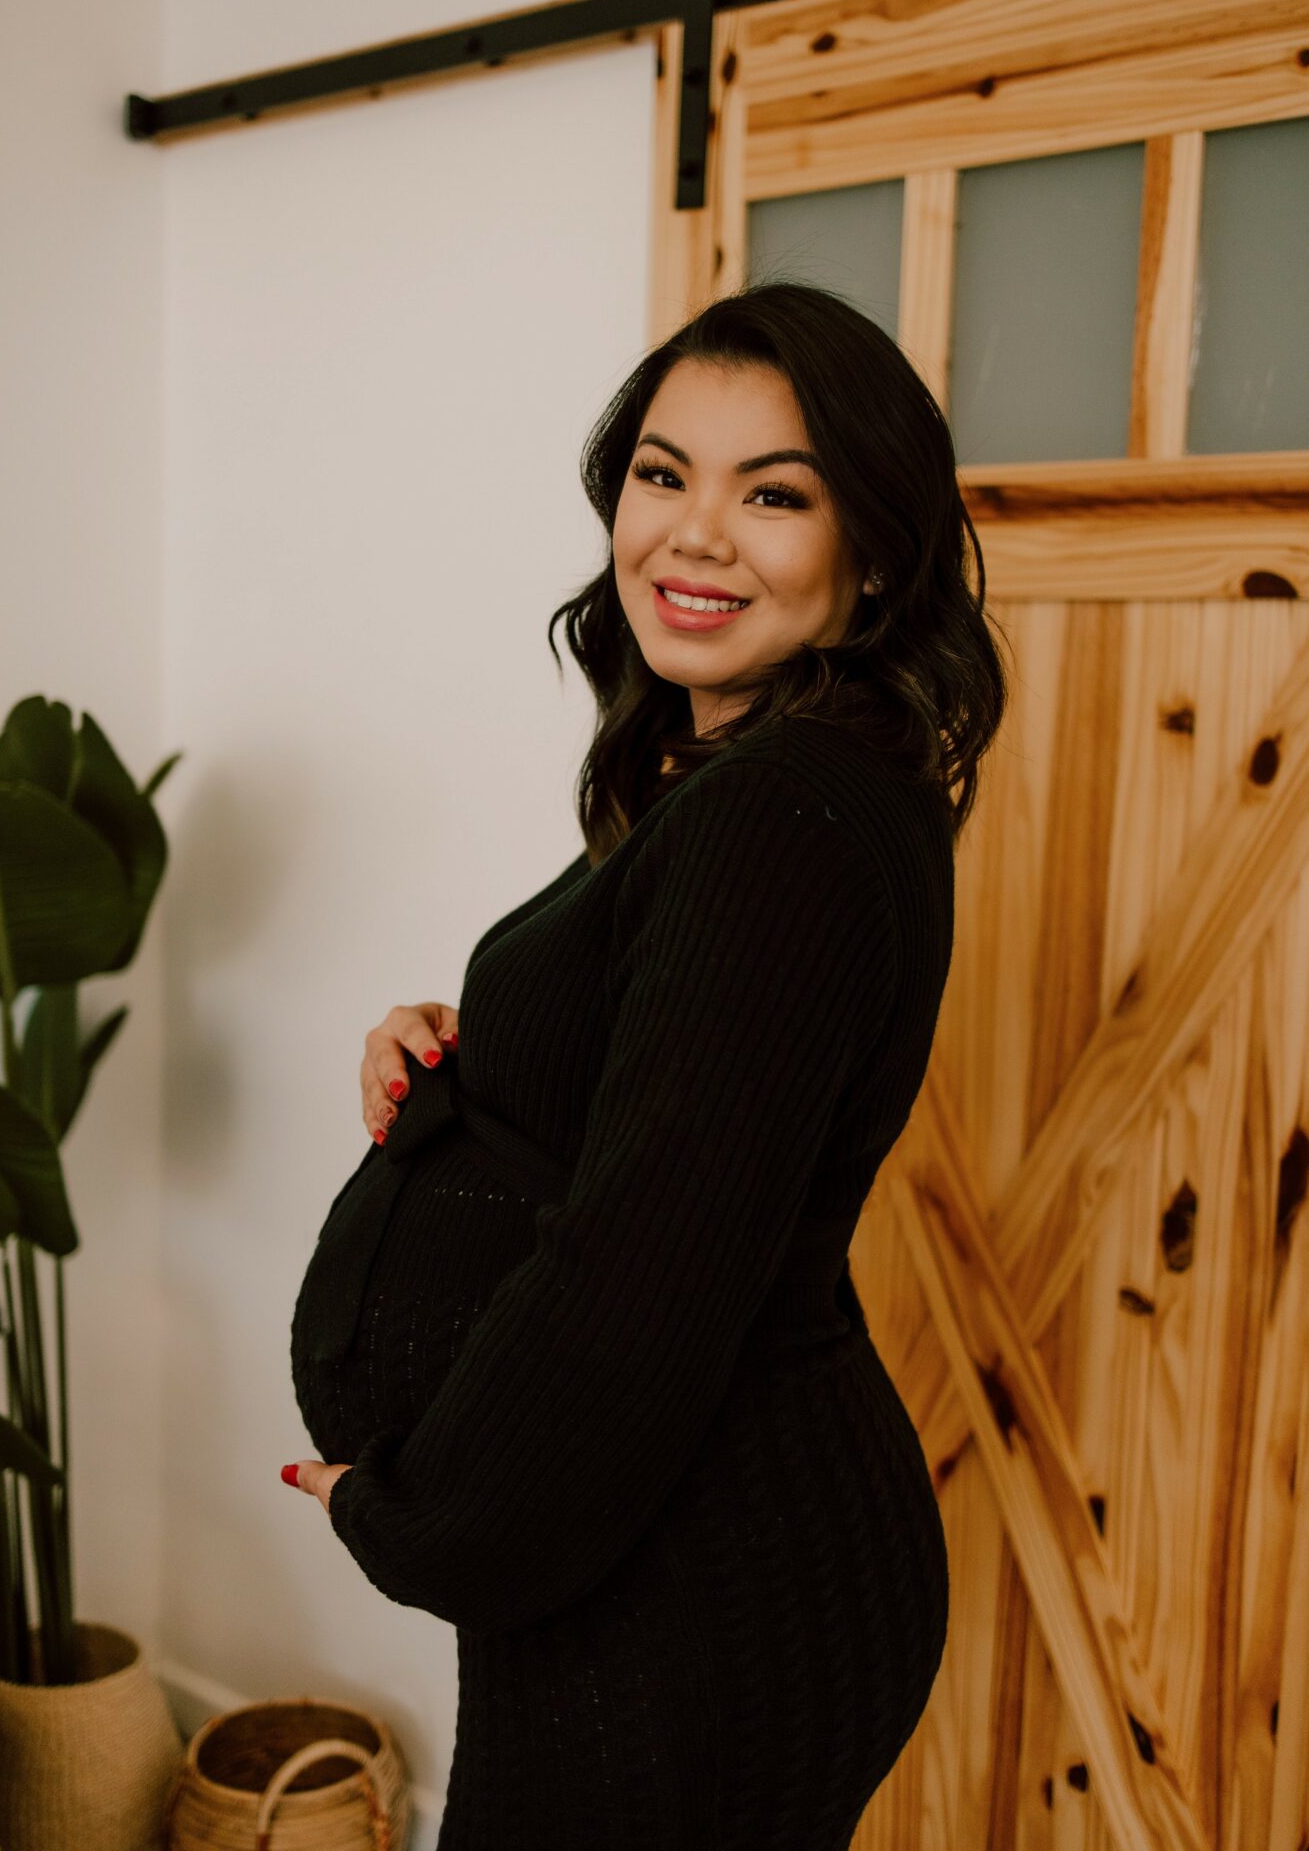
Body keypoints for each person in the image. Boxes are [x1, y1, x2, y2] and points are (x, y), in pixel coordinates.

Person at [284, 279, 1009, 1848]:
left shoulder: (784, 816)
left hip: (696, 1588)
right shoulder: (739, 778)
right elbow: (679, 1111)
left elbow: (643, 1269)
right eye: (663, 472)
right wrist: (473, 1072)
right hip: (664, 1562)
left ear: (870, 551)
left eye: (775, 494)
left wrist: (411, 1520)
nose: (691, 532)